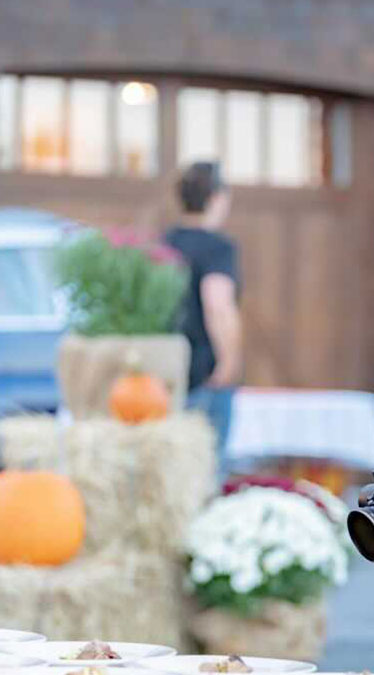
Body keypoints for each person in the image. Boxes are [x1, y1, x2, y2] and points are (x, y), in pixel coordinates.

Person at [165, 161, 242, 476]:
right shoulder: (217, 248)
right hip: (205, 374)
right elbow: (218, 303)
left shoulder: (164, 243)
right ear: (217, 197)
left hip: (166, 374)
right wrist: (229, 361)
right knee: (207, 472)